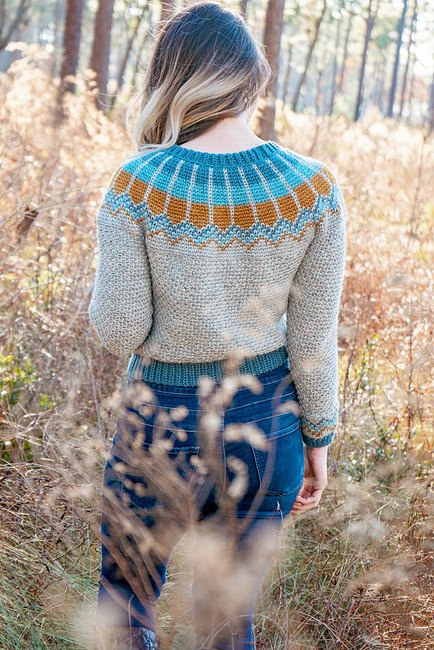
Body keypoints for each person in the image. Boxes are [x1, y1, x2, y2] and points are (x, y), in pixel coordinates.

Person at [88, 2, 347, 649]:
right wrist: (317, 440)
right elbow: (313, 336)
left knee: (125, 614)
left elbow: (120, 329)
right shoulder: (313, 190)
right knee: (228, 624)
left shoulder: (137, 186)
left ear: (170, 77)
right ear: (251, 78)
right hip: (268, 425)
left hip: (159, 420)